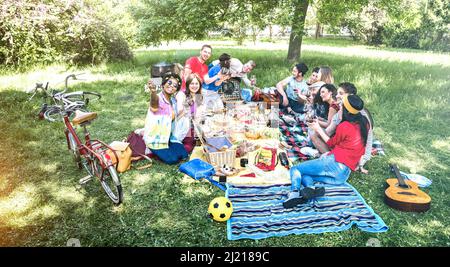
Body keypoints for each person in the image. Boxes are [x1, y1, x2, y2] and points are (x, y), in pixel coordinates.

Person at [283, 94, 369, 208]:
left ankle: (293, 193)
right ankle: (310, 189)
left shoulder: (345, 126)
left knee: (295, 169)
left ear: (346, 110)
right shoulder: (364, 123)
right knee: (306, 174)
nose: (339, 106)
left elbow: (330, 143)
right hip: (343, 174)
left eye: (341, 105)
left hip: (334, 164)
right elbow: (348, 147)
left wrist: (317, 128)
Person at [310, 82, 374, 174]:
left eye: (341, 93)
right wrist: (318, 131)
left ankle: (327, 157)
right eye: (337, 93)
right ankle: (325, 155)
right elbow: (329, 130)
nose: (337, 96)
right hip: (343, 146)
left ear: (350, 96)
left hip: (349, 154)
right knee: (316, 135)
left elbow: (368, 139)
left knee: (318, 135)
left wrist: (362, 162)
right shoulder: (340, 110)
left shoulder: (361, 116)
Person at [143, 73, 188, 164]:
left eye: (175, 85)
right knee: (173, 160)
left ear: (176, 90)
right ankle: (152, 149)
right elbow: (154, 107)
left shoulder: (172, 101)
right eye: (169, 83)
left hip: (167, 137)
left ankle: (167, 148)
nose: (171, 86)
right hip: (156, 139)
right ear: (163, 84)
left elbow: (176, 116)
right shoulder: (158, 98)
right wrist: (153, 91)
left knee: (183, 155)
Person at [174, 73, 204, 153]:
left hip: (192, 126)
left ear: (199, 85)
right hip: (180, 124)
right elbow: (179, 111)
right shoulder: (182, 94)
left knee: (205, 139)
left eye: (196, 83)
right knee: (187, 147)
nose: (194, 86)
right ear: (188, 84)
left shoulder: (198, 96)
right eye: (192, 83)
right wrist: (187, 105)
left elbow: (198, 116)